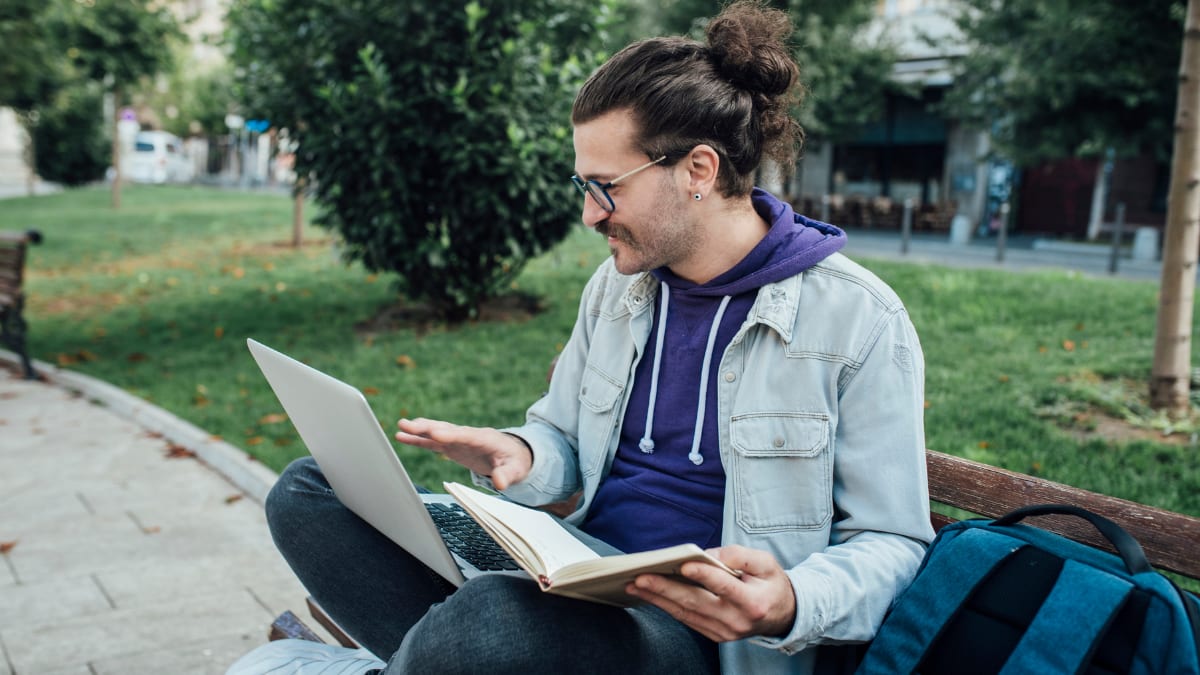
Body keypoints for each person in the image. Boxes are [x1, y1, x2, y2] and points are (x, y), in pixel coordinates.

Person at [227, 2, 934, 673]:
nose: (590, 214)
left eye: (606, 186)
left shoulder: (857, 320)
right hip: (576, 572)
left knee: (497, 622)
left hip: (699, 638)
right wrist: (520, 451)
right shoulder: (622, 288)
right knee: (310, 491)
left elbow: (893, 542)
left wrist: (789, 601)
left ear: (698, 170)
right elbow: (563, 440)